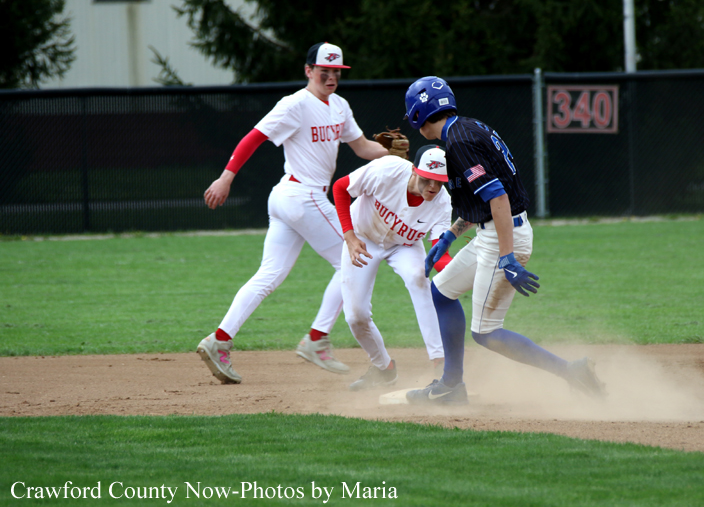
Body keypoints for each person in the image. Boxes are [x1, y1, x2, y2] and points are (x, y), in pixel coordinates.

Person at [402, 76, 607, 405]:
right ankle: (451, 386)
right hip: (492, 233)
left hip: (503, 236)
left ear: (417, 115)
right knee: (440, 292)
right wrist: (450, 236)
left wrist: (508, 257)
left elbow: (497, 196)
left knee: (486, 332)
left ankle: (572, 372)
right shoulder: (465, 129)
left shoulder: (458, 142)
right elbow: (485, 200)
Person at [197, 42, 390, 384]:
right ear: (308, 70)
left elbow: (362, 147)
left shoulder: (339, 106)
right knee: (358, 256)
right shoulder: (295, 105)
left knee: (269, 275)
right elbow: (252, 138)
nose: (330, 76)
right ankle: (317, 339)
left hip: (290, 199)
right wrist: (226, 178)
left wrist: (390, 154)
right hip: (302, 195)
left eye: (336, 72)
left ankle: (219, 340)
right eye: (323, 70)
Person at [332, 145, 453, 391]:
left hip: (404, 246)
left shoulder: (442, 203)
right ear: (414, 170)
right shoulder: (386, 169)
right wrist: (349, 236)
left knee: (419, 277)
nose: (434, 187)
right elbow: (340, 187)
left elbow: (439, 254)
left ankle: (441, 362)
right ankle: (383, 368)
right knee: (356, 316)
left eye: (440, 182)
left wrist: (460, 273)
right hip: (362, 239)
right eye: (429, 179)